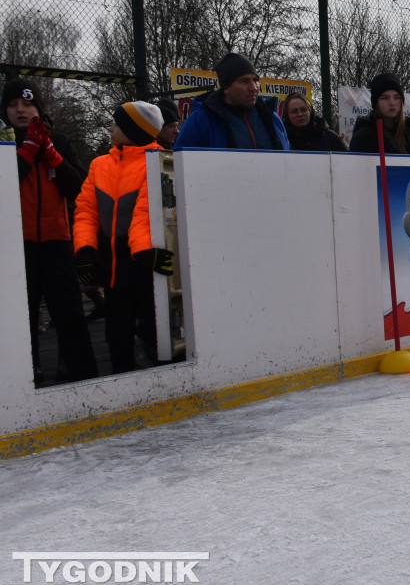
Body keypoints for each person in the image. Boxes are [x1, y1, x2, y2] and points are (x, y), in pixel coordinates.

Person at [2, 78, 98, 385]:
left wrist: (53, 156)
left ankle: (80, 374)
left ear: (38, 108)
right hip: (15, 246)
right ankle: (23, 374)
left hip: (57, 241)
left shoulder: (57, 138)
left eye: (27, 104)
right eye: (14, 104)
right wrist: (26, 152)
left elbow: (79, 188)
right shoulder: (3, 140)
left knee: (70, 315)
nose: (20, 110)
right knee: (19, 318)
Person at [74, 102, 174, 373]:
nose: (110, 128)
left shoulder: (160, 160)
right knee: (116, 332)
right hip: (113, 266)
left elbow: (145, 210)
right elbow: (86, 211)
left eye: (116, 124)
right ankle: (122, 378)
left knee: (156, 331)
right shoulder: (99, 165)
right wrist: (84, 250)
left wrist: (142, 251)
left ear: (132, 129)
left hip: (147, 263)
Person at [173, 52, 289, 150]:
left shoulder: (273, 119)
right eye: (244, 81)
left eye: (255, 80)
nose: (253, 87)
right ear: (226, 87)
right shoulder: (200, 120)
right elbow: (183, 164)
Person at [282, 92, 347, 152]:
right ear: (287, 115)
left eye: (304, 110)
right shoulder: (280, 139)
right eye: (294, 111)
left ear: (310, 111)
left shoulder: (332, 139)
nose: (300, 114)